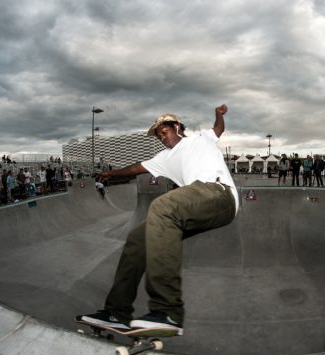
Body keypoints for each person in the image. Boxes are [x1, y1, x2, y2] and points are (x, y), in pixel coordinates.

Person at [77, 104, 238, 335]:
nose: (162, 138)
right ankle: (116, 313)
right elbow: (135, 168)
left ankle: (167, 310)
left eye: (165, 132)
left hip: (220, 194)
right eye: (159, 136)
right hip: (195, 204)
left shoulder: (201, 138)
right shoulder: (164, 157)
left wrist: (218, 114)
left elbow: (218, 128)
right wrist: (110, 173)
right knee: (136, 239)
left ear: (177, 127)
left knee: (163, 206)